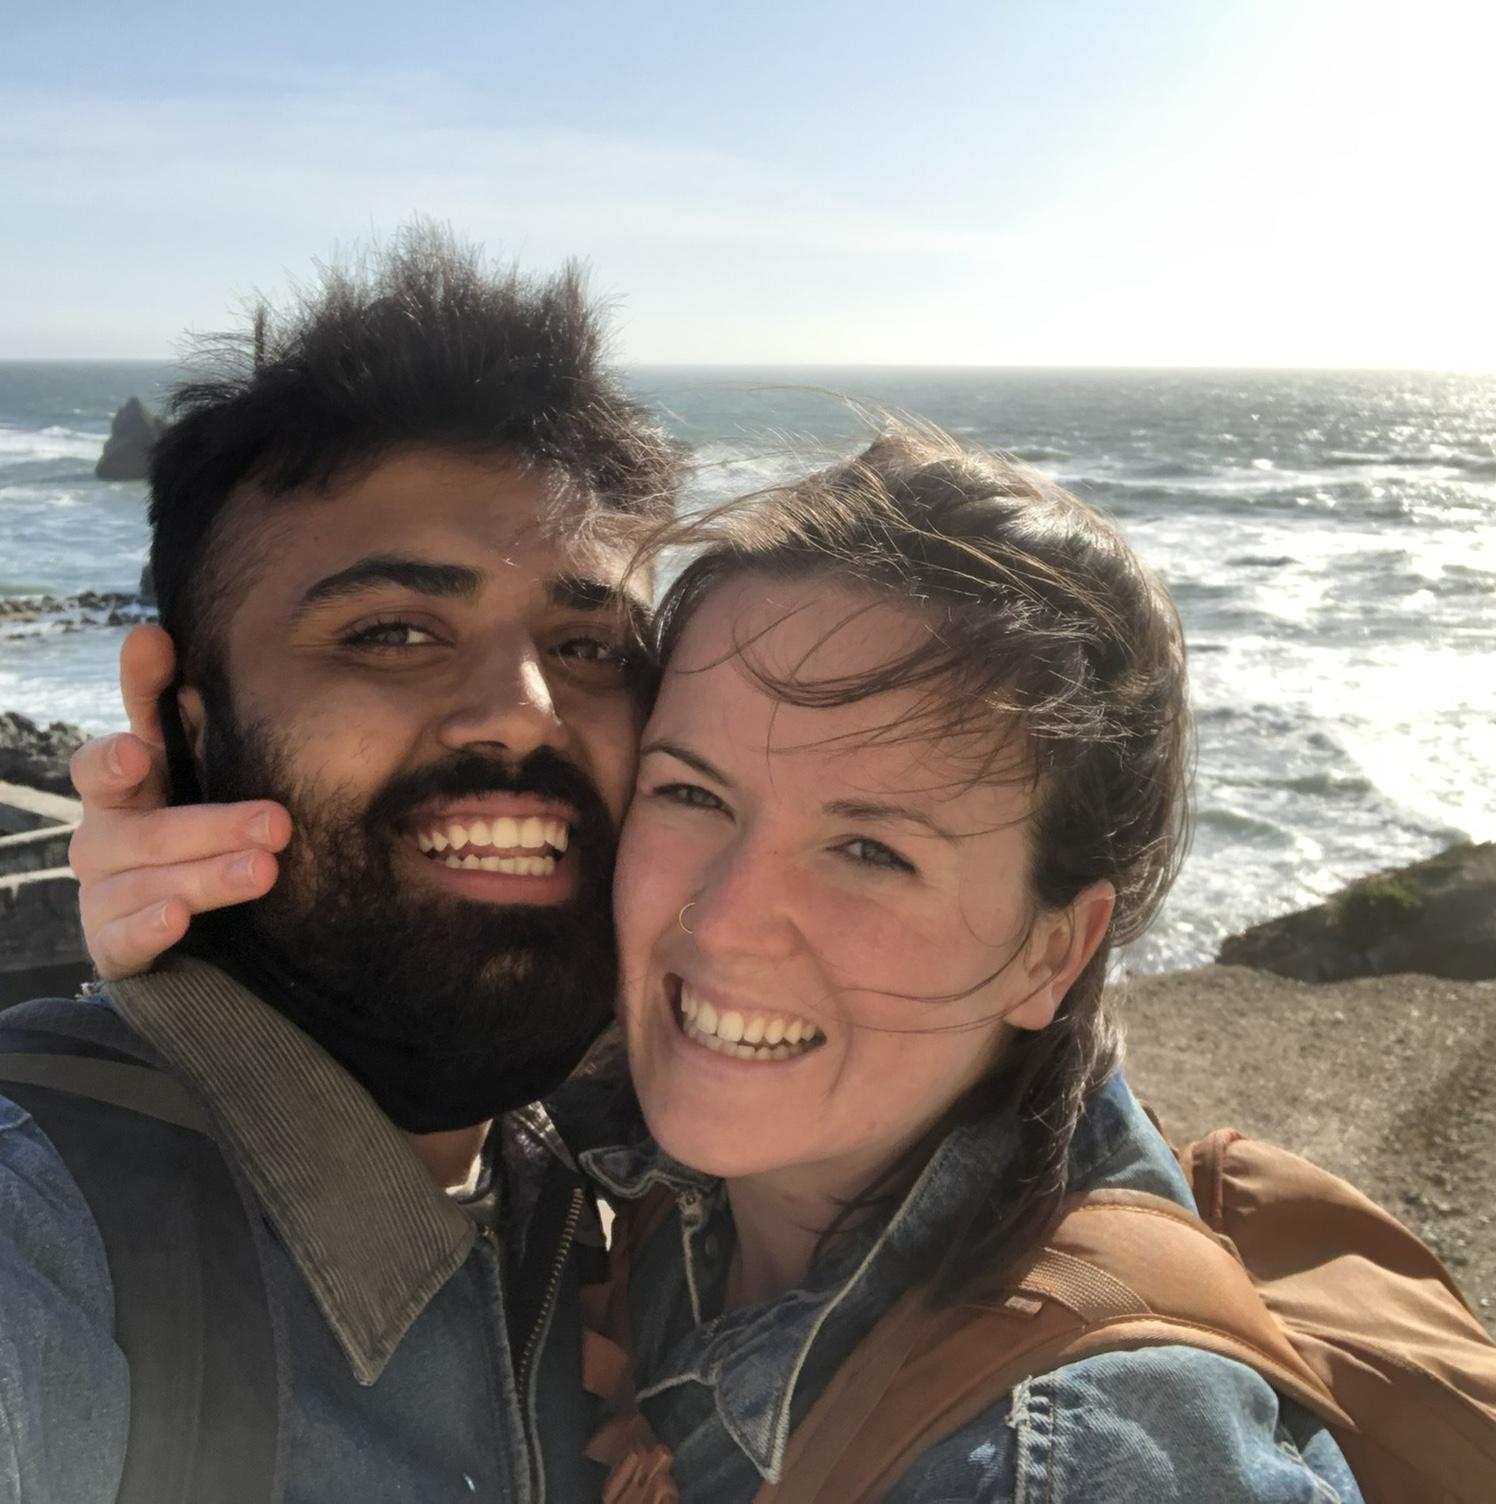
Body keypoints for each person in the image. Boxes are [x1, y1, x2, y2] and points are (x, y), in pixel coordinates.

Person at [70, 420, 1376, 1495]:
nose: (728, 917)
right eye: (691, 794)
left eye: (870, 850)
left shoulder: (1079, 1459)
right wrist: (265, 916)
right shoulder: (654, 1142)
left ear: (1054, 949)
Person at [0, 225, 680, 1501]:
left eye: (591, 645)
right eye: (390, 629)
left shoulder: (622, 1191)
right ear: (178, 718)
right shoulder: (45, 1232)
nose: (524, 707)